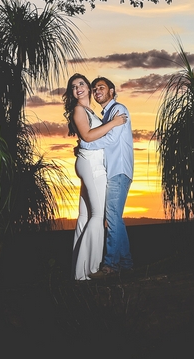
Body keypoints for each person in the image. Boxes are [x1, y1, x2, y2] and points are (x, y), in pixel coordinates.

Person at [63, 73, 127, 281]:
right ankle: (86, 271)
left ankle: (78, 268)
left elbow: (88, 136)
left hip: (89, 163)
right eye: (74, 87)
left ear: (89, 89)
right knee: (98, 217)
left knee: (85, 216)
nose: (78, 88)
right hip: (91, 165)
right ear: (72, 93)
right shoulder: (79, 109)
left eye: (81, 84)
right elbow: (88, 136)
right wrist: (115, 123)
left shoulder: (89, 110)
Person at [92, 76, 134, 276]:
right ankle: (126, 264)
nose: (96, 90)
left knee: (112, 218)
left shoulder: (119, 110)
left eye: (101, 87)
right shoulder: (107, 115)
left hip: (119, 170)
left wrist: (85, 143)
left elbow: (110, 138)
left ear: (111, 90)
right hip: (114, 172)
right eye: (94, 88)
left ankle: (110, 266)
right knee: (115, 219)